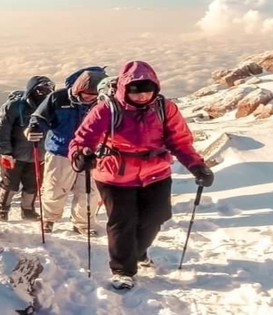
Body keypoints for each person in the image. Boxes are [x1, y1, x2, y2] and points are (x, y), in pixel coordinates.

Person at [68, 60, 214, 290]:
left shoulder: (165, 108)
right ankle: (122, 270)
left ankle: (138, 252)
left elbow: (180, 141)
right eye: (137, 93)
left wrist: (197, 166)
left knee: (156, 217)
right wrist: (80, 156)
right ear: (126, 90)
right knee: (122, 222)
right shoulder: (107, 109)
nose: (143, 97)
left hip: (156, 172)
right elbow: (82, 139)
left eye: (148, 92)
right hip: (114, 175)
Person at [28, 68, 107, 235]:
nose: (89, 99)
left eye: (93, 96)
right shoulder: (58, 97)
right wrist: (34, 127)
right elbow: (40, 117)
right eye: (86, 95)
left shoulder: (102, 102)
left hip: (89, 153)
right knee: (55, 188)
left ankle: (83, 223)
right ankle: (49, 219)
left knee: (89, 191)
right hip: (60, 150)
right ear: (78, 89)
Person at [0, 76, 54, 221]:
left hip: (38, 154)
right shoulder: (14, 106)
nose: (44, 93)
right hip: (13, 154)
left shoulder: (49, 108)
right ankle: (3, 208)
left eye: (48, 90)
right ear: (32, 89)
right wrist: (4, 152)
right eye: (41, 89)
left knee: (33, 184)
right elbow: (0, 130)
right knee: (9, 184)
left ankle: (27, 210)